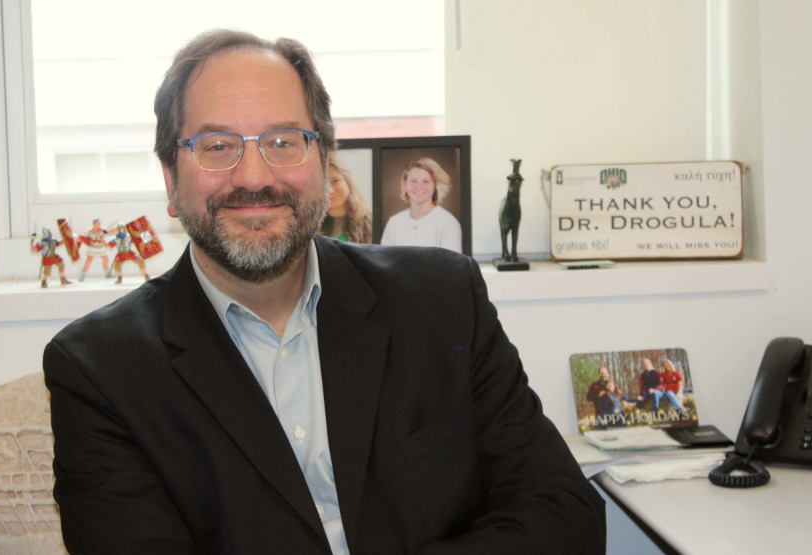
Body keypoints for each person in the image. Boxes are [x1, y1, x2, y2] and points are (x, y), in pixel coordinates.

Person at [44, 29, 605, 555]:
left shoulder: (443, 301)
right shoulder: (100, 371)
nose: (253, 176)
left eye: (283, 141)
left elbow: (562, 513)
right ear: (170, 181)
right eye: (217, 147)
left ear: (323, 163)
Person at [380, 157, 463, 252]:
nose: (419, 186)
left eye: (426, 181)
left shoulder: (448, 223)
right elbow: (384, 263)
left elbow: (452, 265)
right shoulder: (394, 223)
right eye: (413, 181)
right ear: (404, 184)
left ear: (435, 185)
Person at [319, 153, 372, 243]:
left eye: (335, 181)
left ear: (347, 181)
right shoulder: (309, 226)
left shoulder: (370, 222)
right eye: (322, 184)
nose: (330, 191)